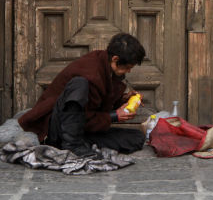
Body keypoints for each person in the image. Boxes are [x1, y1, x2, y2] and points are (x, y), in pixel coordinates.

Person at [18, 32, 146, 157]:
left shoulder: (106, 65)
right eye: (128, 67)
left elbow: (97, 105)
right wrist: (114, 116)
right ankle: (72, 145)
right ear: (115, 59)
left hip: (81, 130)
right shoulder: (90, 72)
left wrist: (123, 100)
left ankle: (78, 144)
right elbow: (83, 117)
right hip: (57, 127)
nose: (129, 71)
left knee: (136, 138)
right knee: (79, 84)